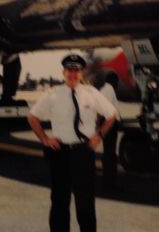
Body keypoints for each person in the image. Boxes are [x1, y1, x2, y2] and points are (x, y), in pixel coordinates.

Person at [28, 54, 117, 232]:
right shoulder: (52, 94)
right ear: (63, 72)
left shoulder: (92, 94)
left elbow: (111, 114)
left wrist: (99, 135)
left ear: (82, 73)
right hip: (60, 153)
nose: (73, 74)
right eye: (69, 70)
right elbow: (32, 117)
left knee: (85, 204)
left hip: (83, 153)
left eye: (76, 70)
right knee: (60, 202)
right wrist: (45, 139)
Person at [98, 73, 120, 191]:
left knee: (109, 154)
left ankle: (109, 182)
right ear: (113, 81)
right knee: (110, 155)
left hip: (108, 124)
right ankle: (109, 184)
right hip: (109, 125)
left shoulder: (105, 89)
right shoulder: (108, 90)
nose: (118, 84)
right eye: (117, 81)